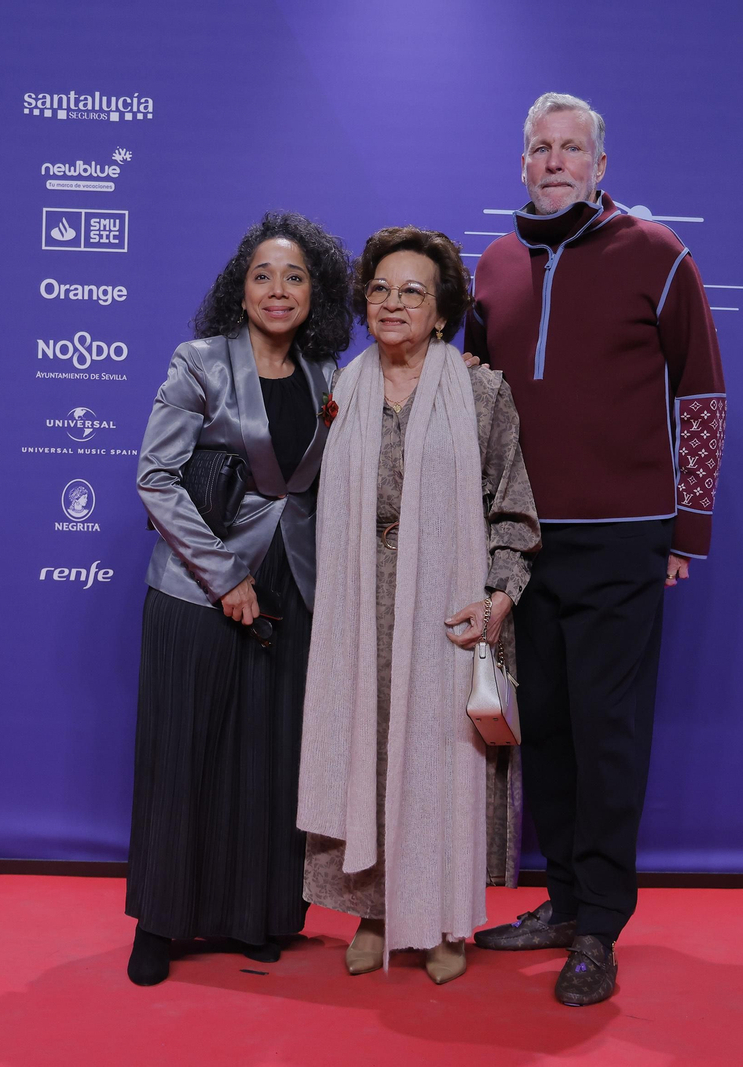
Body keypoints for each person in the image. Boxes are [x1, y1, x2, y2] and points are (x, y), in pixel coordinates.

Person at [466, 93, 727, 1007]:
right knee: (548, 732)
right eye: (540, 147)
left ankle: (600, 928)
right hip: (524, 541)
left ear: (601, 165)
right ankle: (565, 901)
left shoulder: (658, 254)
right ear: (522, 163)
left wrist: (687, 529)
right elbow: (473, 401)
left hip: (623, 541)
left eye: (572, 148)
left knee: (609, 734)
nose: (555, 160)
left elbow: (702, 396)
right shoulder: (493, 265)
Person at [297, 227, 540, 986]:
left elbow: (514, 513)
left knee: (440, 762)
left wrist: (498, 601)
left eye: (413, 291)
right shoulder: (339, 392)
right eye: (380, 289)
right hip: (357, 610)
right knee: (366, 758)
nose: (393, 303)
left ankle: (442, 918)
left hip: (449, 612)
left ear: (441, 314)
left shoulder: (480, 393)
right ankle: (372, 912)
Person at [127, 212, 354, 986]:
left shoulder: (330, 374)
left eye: (295, 276)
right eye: (263, 275)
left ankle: (253, 915)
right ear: (241, 287)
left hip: (293, 584)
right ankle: (158, 924)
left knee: (269, 758)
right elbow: (155, 476)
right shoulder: (200, 362)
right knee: (184, 753)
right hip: (198, 586)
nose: (278, 289)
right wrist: (225, 575)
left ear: (315, 293)